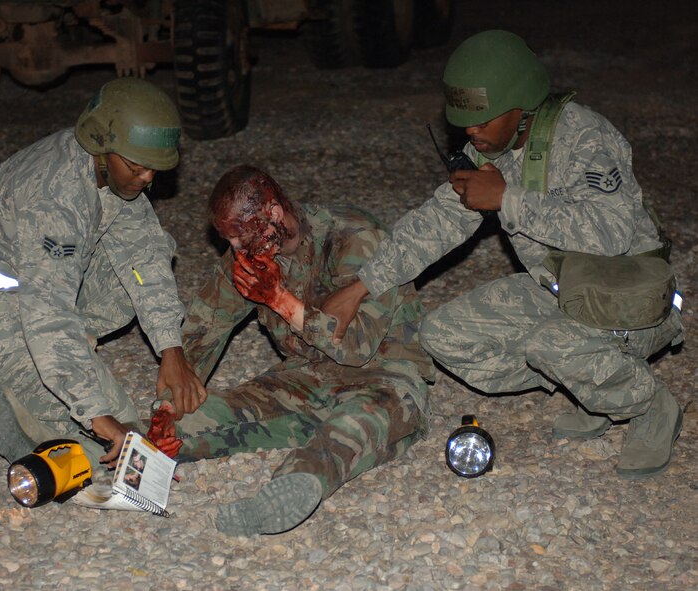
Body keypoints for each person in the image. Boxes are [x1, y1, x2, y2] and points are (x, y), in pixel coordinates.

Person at [323, 30, 684, 480]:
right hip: (564, 290)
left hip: (630, 298)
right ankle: (594, 383)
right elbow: (437, 223)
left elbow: (612, 232)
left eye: (482, 121)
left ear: (522, 107)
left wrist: (507, 200)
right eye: (464, 122)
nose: (470, 132)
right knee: (443, 336)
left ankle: (650, 404)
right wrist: (361, 287)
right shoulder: (488, 151)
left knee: (549, 345)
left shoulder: (584, 136)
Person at [0, 78, 206, 469]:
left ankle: (46, 363)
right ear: (101, 146)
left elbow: (144, 255)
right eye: (137, 167)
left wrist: (171, 349)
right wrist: (94, 412)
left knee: (140, 268)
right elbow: (48, 317)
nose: (147, 178)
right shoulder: (56, 198)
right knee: (86, 438)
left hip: (31, 293)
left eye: (153, 168)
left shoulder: (107, 169)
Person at [149, 165, 434, 536]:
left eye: (240, 236)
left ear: (273, 214)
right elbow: (206, 326)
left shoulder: (356, 237)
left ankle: (286, 494)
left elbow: (357, 348)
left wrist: (277, 298)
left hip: (385, 378)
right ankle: (115, 449)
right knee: (201, 416)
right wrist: (168, 405)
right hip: (307, 377)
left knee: (352, 428)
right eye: (228, 239)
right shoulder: (250, 251)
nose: (235, 249)